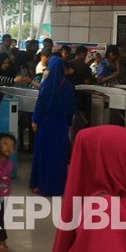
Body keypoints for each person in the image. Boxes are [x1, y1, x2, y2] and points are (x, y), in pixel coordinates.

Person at [30, 56, 77, 195]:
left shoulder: (46, 84)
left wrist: (35, 120)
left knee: (44, 154)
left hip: (46, 124)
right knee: (59, 156)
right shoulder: (67, 85)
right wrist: (68, 124)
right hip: (61, 125)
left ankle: (41, 185)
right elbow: (71, 108)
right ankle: (58, 186)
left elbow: (40, 105)